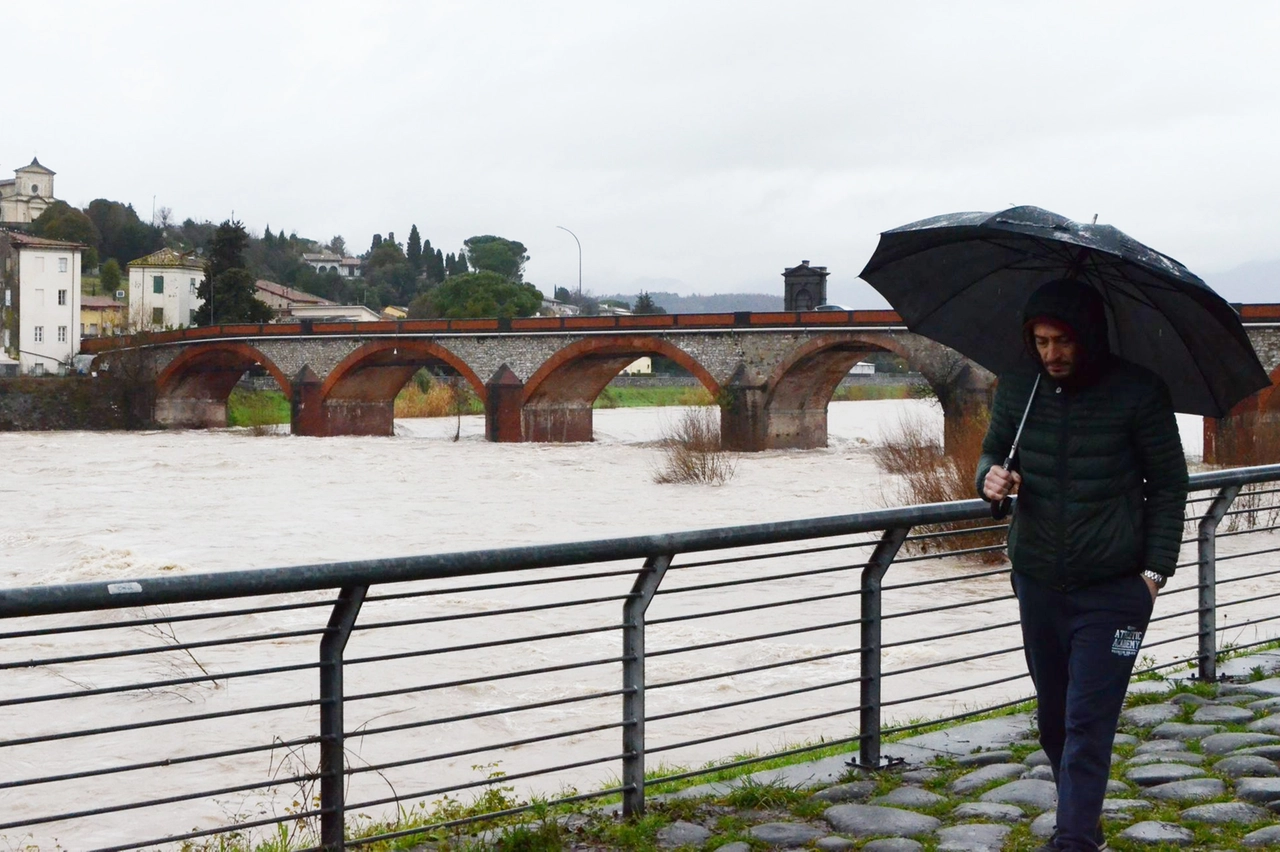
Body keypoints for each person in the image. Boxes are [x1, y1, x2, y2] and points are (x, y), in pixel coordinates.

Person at [975, 279, 1189, 852]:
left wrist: (1153, 573)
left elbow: (1169, 484)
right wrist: (992, 479)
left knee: (1087, 723)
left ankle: (1073, 841)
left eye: (1063, 340)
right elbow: (993, 454)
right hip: (1038, 579)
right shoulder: (1020, 388)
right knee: (1052, 720)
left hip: (1116, 588)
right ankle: (1083, 818)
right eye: (1041, 341)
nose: (1052, 354)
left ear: (1088, 337)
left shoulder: (1138, 392)